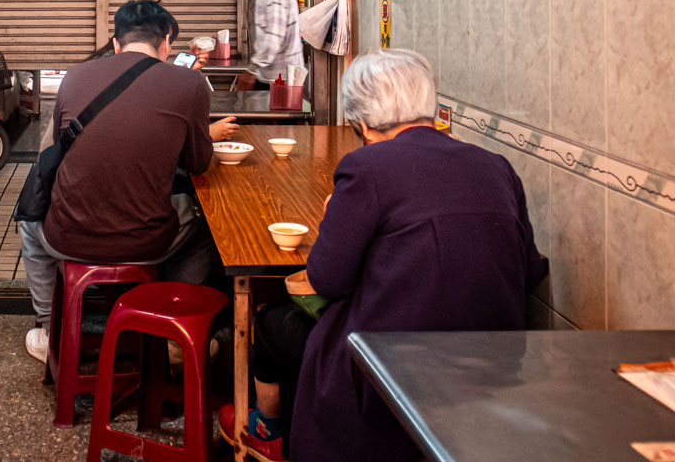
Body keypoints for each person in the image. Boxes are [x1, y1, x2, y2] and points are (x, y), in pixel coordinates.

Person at [220, 49, 548, 461]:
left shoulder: (367, 167)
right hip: (494, 363)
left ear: (363, 123)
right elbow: (529, 271)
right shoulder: (496, 166)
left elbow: (326, 279)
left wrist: (331, 220)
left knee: (273, 321)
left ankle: (268, 431)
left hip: (390, 366)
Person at [19, 0, 233, 362]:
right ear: (166, 42)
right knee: (201, 226)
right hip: (146, 241)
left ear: (117, 43)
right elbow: (198, 163)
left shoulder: (74, 76)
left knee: (28, 222)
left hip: (67, 235)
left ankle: (49, 331)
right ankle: (175, 334)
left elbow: (59, 147)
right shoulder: (189, 83)